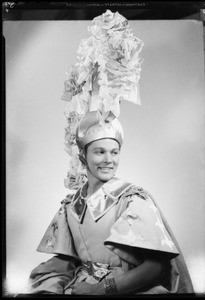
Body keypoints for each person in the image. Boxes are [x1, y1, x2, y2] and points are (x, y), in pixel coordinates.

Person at [28, 110, 194, 295]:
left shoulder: (133, 200)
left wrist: (100, 289)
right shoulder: (70, 206)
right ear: (83, 155)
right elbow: (68, 260)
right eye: (100, 152)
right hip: (82, 284)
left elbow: (154, 268)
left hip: (126, 287)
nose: (109, 160)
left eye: (114, 152)